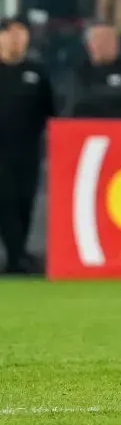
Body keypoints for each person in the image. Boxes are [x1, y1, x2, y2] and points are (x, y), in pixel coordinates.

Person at [0, 16, 54, 274]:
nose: (16, 38)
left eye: (21, 33)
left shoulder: (37, 72)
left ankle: (18, 254)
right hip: (1, 151)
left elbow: (50, 112)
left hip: (28, 150)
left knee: (25, 201)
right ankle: (14, 255)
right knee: (6, 202)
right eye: (10, 33)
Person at [68, 21, 121, 118]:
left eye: (110, 40)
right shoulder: (74, 77)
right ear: (88, 44)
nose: (106, 44)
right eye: (100, 39)